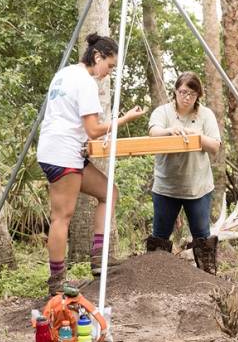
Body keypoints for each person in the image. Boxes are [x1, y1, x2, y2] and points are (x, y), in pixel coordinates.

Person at [37, 33, 146, 295]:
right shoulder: (85, 82)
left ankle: (99, 259)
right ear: (97, 56)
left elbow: (71, 118)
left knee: (109, 192)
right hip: (62, 154)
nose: (108, 73)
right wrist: (125, 119)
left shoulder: (65, 73)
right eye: (109, 66)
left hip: (57, 148)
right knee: (61, 216)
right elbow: (94, 129)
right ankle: (57, 281)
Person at [145, 72, 222, 274]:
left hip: (198, 186)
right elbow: (153, 132)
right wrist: (171, 130)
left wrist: (196, 136)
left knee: (202, 237)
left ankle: (207, 278)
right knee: (160, 236)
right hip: (166, 185)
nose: (187, 97)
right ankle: (155, 276)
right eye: (183, 92)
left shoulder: (206, 115)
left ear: (198, 96)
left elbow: (215, 146)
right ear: (176, 91)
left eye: (192, 94)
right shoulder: (163, 112)